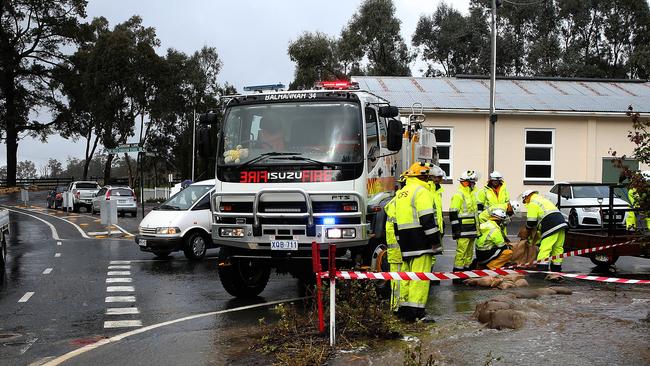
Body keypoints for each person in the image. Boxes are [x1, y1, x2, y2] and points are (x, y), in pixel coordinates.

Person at [395, 162, 441, 322]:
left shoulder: (401, 193)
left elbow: (395, 221)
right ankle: (417, 312)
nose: (429, 179)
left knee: (407, 277)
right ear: (423, 176)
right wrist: (435, 242)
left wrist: (400, 241)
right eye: (427, 175)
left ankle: (405, 310)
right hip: (421, 242)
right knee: (420, 278)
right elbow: (427, 219)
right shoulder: (422, 192)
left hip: (406, 242)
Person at [521, 189, 568, 272]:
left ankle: (542, 269)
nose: (525, 203)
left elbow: (531, 222)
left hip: (551, 224)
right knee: (558, 247)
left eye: (524, 200)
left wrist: (527, 230)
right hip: (561, 223)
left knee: (545, 247)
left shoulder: (533, 204)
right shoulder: (543, 200)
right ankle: (556, 268)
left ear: (527, 197)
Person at [385, 173, 407, 312]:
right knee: (402, 280)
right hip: (401, 247)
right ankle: (399, 307)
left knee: (396, 280)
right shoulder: (401, 201)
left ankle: (396, 306)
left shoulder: (394, 200)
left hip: (395, 248)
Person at [449, 170, 479, 272]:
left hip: (472, 229)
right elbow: (453, 212)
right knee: (461, 251)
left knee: (470, 251)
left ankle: (466, 270)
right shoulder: (459, 195)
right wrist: (456, 229)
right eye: (473, 182)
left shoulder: (473, 194)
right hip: (462, 229)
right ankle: (457, 272)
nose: (474, 184)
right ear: (467, 182)